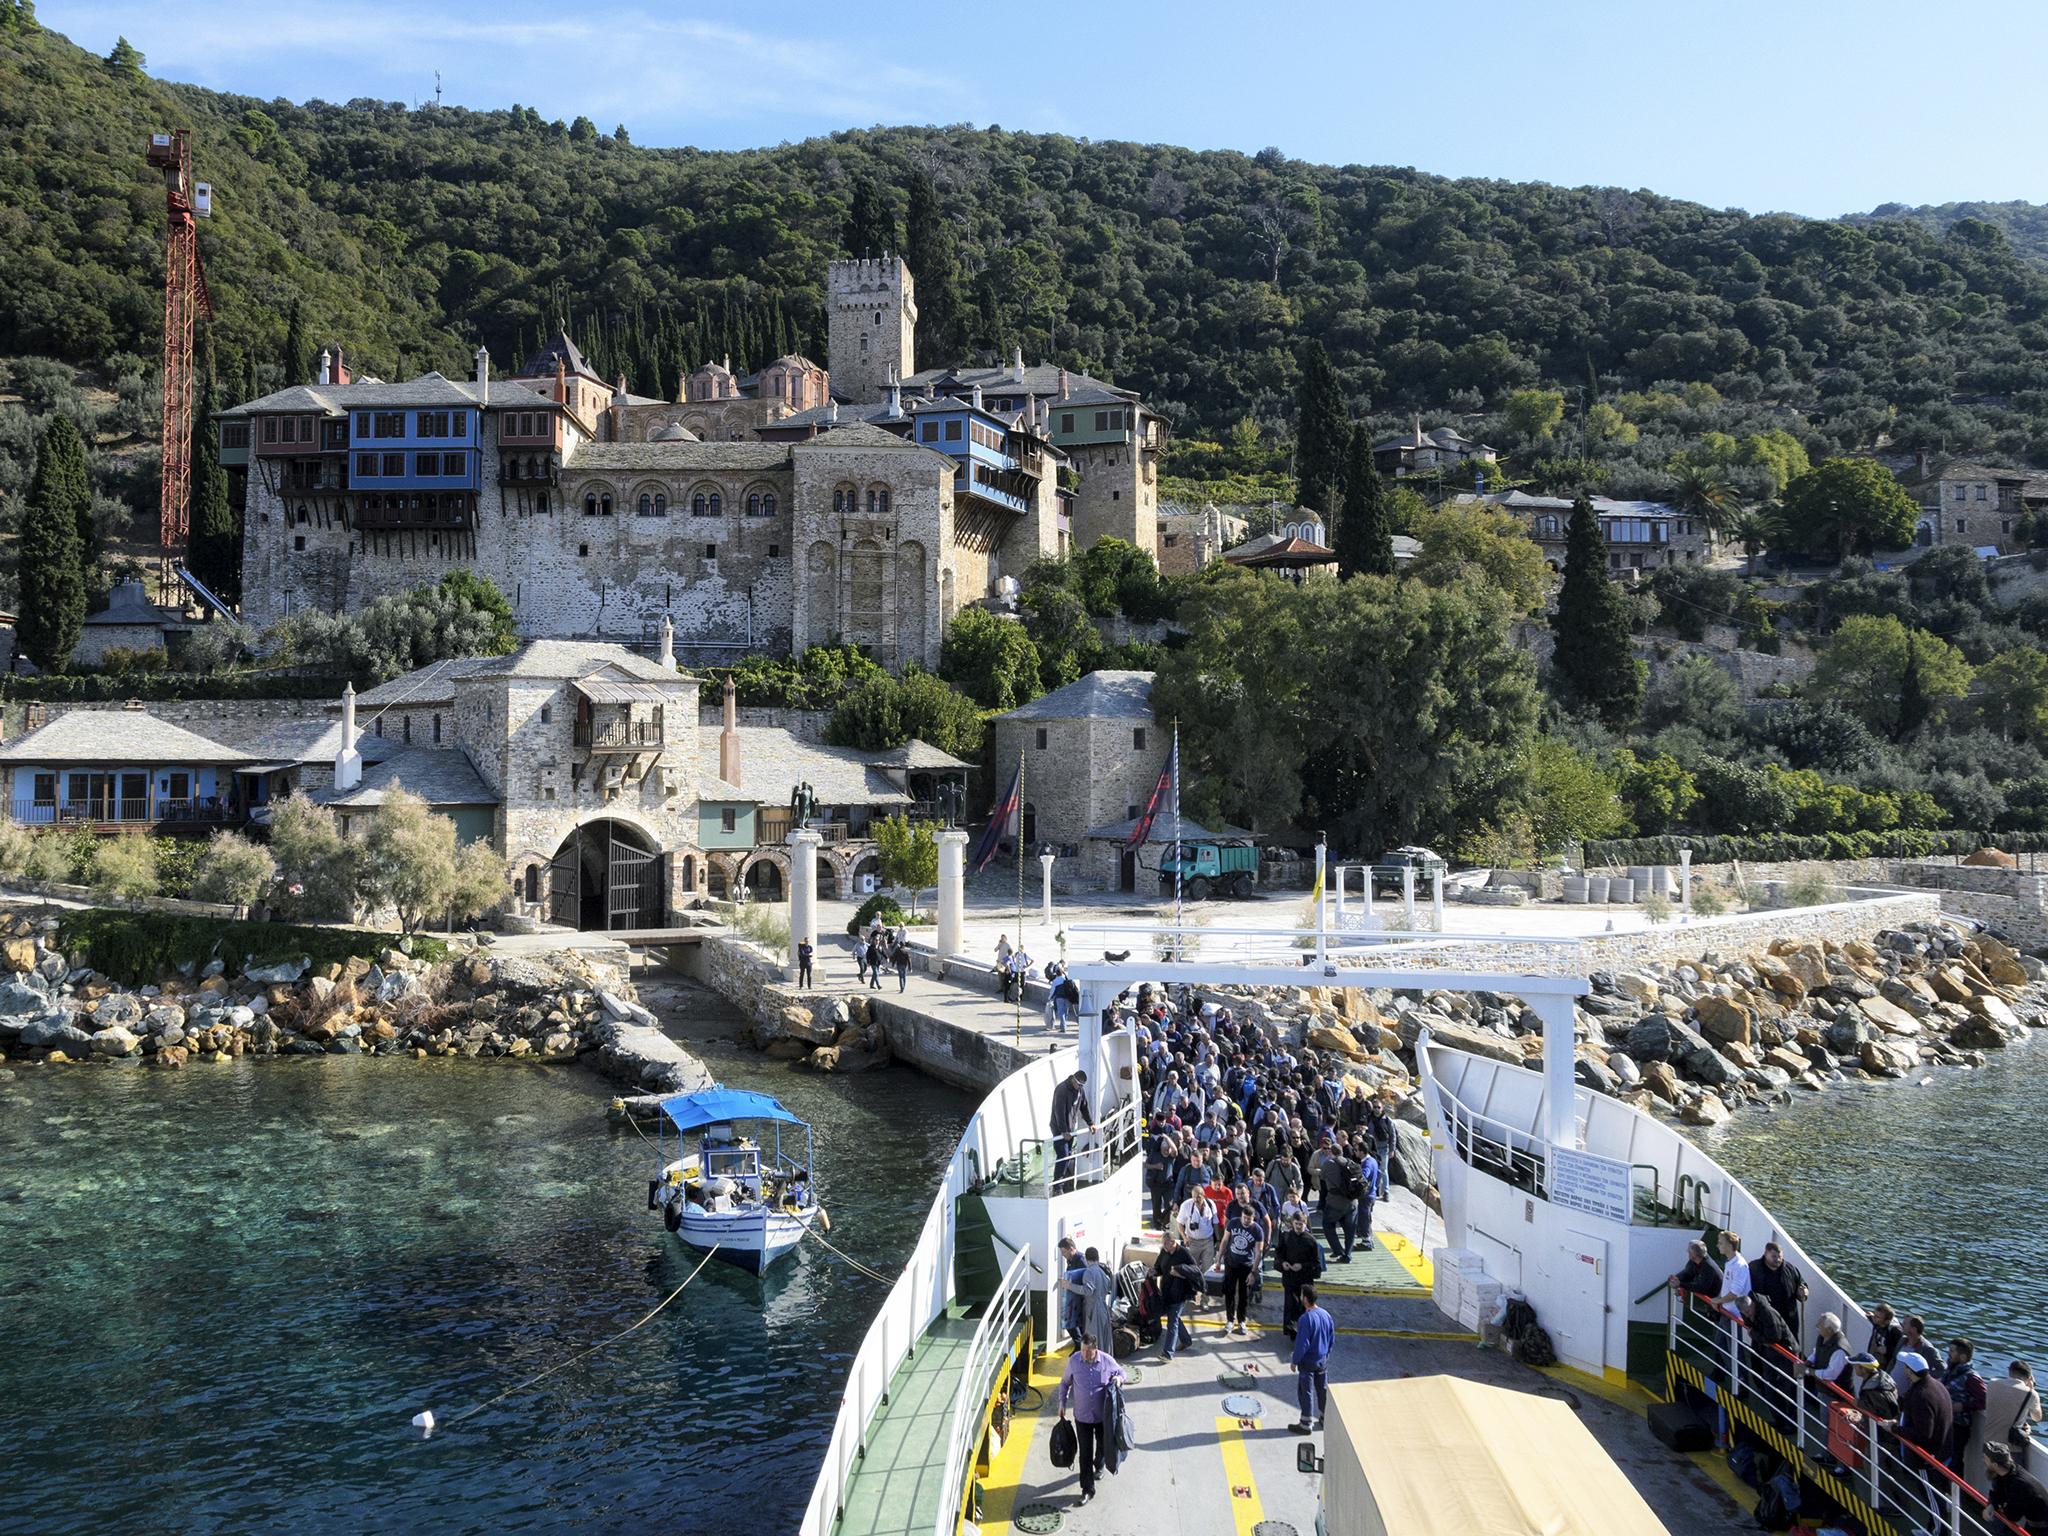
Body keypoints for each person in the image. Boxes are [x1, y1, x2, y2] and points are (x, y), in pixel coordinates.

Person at [1057, 1333, 1127, 1507]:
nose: (1084, 1355)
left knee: (1103, 1445)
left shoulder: (1106, 1361)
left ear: (1095, 1350)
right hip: (1082, 1417)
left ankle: (1100, 1463)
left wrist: (1118, 1379)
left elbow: (1122, 1372)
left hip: (1102, 1416)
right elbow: (1065, 1383)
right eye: (1082, 1350)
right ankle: (1087, 1490)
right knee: (1085, 1454)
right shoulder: (1074, 1361)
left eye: (1088, 1352)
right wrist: (1062, 1403)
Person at [1894, 1351, 1955, 1529]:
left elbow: (1923, 1434)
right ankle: (1933, 1527)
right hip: (1943, 1452)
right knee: (1936, 1496)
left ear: (1909, 1372)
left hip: (1927, 1459)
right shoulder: (1937, 1386)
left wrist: (1896, 1428)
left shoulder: (1921, 1395)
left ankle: (1938, 1531)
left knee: (1931, 1496)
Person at [1290, 1284, 1333, 1434]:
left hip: (1308, 1362)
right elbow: (1331, 1337)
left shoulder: (1305, 1319)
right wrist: (1326, 1354)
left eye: (1302, 1295)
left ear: (1306, 1299)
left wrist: (1295, 1360)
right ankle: (1324, 1417)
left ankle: (1306, 1423)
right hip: (1322, 1360)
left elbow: (1302, 1344)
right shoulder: (1326, 1315)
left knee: (1305, 1391)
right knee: (1322, 1389)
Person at [1943, 1338, 1989, 1482]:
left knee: (1955, 1461)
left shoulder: (1971, 1377)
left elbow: (1983, 1401)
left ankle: (1956, 1495)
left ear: (1963, 1356)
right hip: (1946, 1421)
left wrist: (1963, 1406)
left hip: (1959, 1425)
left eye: (1952, 1351)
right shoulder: (1950, 1370)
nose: (1948, 1354)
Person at [1986, 1360, 2043, 1474]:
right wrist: (2032, 1389)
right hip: (2010, 1449)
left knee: (1994, 1481)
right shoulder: (2030, 1394)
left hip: (1989, 1444)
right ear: (2029, 1377)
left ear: (2010, 1372)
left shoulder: (1992, 1384)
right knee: (2013, 1482)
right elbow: (2037, 1417)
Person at [1219, 1199, 1265, 1337]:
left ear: (1253, 1218)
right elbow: (1225, 1240)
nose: (1245, 1220)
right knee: (1229, 1292)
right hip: (1231, 1263)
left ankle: (1242, 1320)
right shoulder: (1233, 1223)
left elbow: (1258, 1253)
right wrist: (1218, 1258)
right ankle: (1229, 1320)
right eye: (1244, 1217)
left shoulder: (1257, 1230)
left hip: (1246, 1266)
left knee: (1244, 1295)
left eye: (1248, 1219)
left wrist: (1253, 1272)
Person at [1275, 1211, 1323, 1339]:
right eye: (1296, 1224)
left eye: (1300, 1224)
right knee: (1290, 1305)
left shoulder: (1311, 1241)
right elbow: (1279, 1254)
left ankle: (1302, 1331)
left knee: (1303, 1307)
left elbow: (1316, 1263)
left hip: (1304, 1280)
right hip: (1290, 1278)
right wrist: (1283, 1263)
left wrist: (1302, 1266)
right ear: (1292, 1223)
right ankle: (1292, 1332)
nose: (1298, 1226)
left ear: (1305, 1223)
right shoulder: (1286, 1237)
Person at [1985, 1440, 2048, 1534]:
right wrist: (1992, 1504)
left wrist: (2001, 1506)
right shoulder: (2007, 1472)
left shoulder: (2019, 1484)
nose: (1984, 1461)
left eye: (1986, 1459)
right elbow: (1997, 1492)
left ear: (1995, 1465)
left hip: (2042, 1528)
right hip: (2033, 1523)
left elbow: (2013, 1516)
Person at [1752, 1241, 1808, 1341]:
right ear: (1765, 1254)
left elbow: (1801, 1284)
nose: (1778, 1260)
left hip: (1788, 1321)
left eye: (1780, 1257)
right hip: (1764, 1320)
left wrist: (1803, 1293)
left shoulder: (1790, 1269)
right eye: (1774, 1257)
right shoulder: (1754, 1268)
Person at [1155, 1235, 1199, 1359]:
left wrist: (1180, 1273)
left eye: (1165, 1244)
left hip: (1179, 1293)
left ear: (1173, 1242)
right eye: (1162, 1244)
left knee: (1172, 1322)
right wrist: (1154, 1271)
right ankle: (1186, 1340)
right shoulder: (1164, 1251)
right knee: (1174, 1318)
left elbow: (1195, 1270)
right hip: (1167, 1292)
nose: (1163, 1247)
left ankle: (1168, 1353)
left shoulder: (1184, 1253)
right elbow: (1159, 1266)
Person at [1050, 1069, 1095, 1189]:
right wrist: (1063, 1131)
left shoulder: (1080, 1090)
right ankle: (1057, 1187)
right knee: (1063, 1155)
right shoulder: (1062, 1090)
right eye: (1079, 1084)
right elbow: (1058, 1112)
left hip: (1070, 1128)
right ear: (1073, 1080)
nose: (1079, 1087)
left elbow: (1084, 1107)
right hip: (1059, 1129)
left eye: (1082, 1085)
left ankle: (1063, 1181)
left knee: (1068, 1154)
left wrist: (1091, 1123)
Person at [1175, 1187, 1220, 1273]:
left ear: (1204, 1196)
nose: (1196, 1199)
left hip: (1208, 1241)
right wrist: (1184, 1237)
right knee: (1192, 1269)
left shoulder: (1211, 1204)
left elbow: (1215, 1223)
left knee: (1208, 1269)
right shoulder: (1186, 1205)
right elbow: (1179, 1223)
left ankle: (1205, 1286)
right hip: (1192, 1242)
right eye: (1194, 1197)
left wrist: (1218, 1240)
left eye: (1198, 1197)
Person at [1710, 1230, 1751, 1320]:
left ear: (1729, 1245)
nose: (1717, 1246)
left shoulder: (1739, 1265)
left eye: (1721, 1243)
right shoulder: (1730, 1262)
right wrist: (1719, 1298)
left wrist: (1718, 1301)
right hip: (1726, 1311)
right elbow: (1727, 1287)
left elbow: (1734, 1294)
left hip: (1734, 1315)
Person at [1055, 1236, 1084, 1348]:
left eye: (1064, 1251)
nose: (1062, 1254)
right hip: (1072, 1295)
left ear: (1071, 1248)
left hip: (1079, 1297)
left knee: (1072, 1323)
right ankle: (1078, 1345)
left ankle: (1079, 1346)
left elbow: (1084, 1279)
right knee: (1069, 1322)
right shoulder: (1070, 1260)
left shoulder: (1081, 1260)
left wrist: (1069, 1284)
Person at [1865, 1303, 1904, 1372]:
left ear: (1887, 1321)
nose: (1874, 1318)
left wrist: (1888, 1350)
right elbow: (1874, 1318)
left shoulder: (1894, 1330)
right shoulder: (1878, 1323)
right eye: (1875, 1314)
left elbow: (1902, 1348)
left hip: (1886, 1366)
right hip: (1874, 1361)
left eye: (1878, 1317)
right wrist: (1870, 1316)